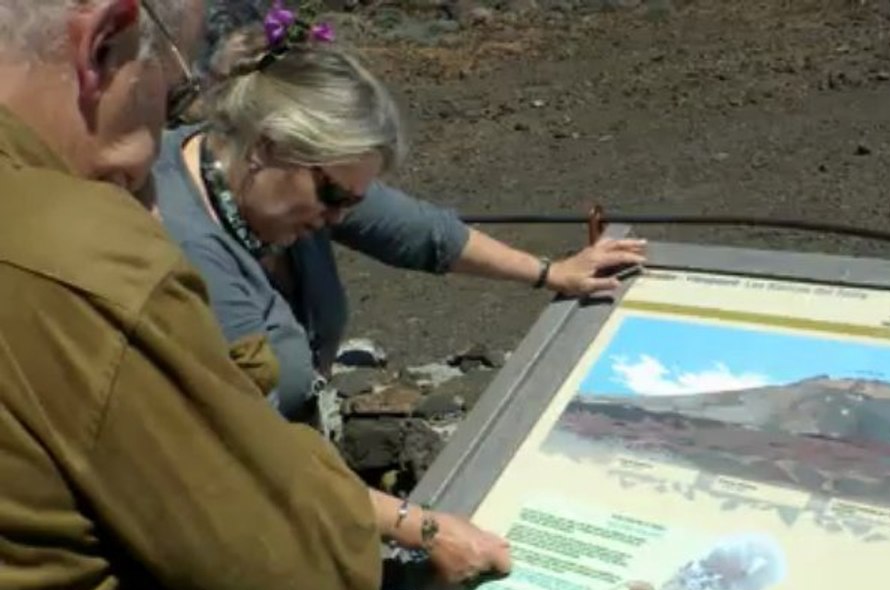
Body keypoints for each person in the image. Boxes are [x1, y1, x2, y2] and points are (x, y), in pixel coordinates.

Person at [0, 2, 509, 590]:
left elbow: (401, 223)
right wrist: (416, 526)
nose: (170, 126)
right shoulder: (105, 256)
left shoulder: (275, 191)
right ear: (104, 42)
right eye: (174, 90)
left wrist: (552, 272)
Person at [151, 9, 649, 426]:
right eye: (334, 196)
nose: (339, 217)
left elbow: (422, 233)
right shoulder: (185, 251)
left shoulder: (282, 184)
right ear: (268, 146)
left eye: (351, 201)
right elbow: (244, 436)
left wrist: (552, 272)